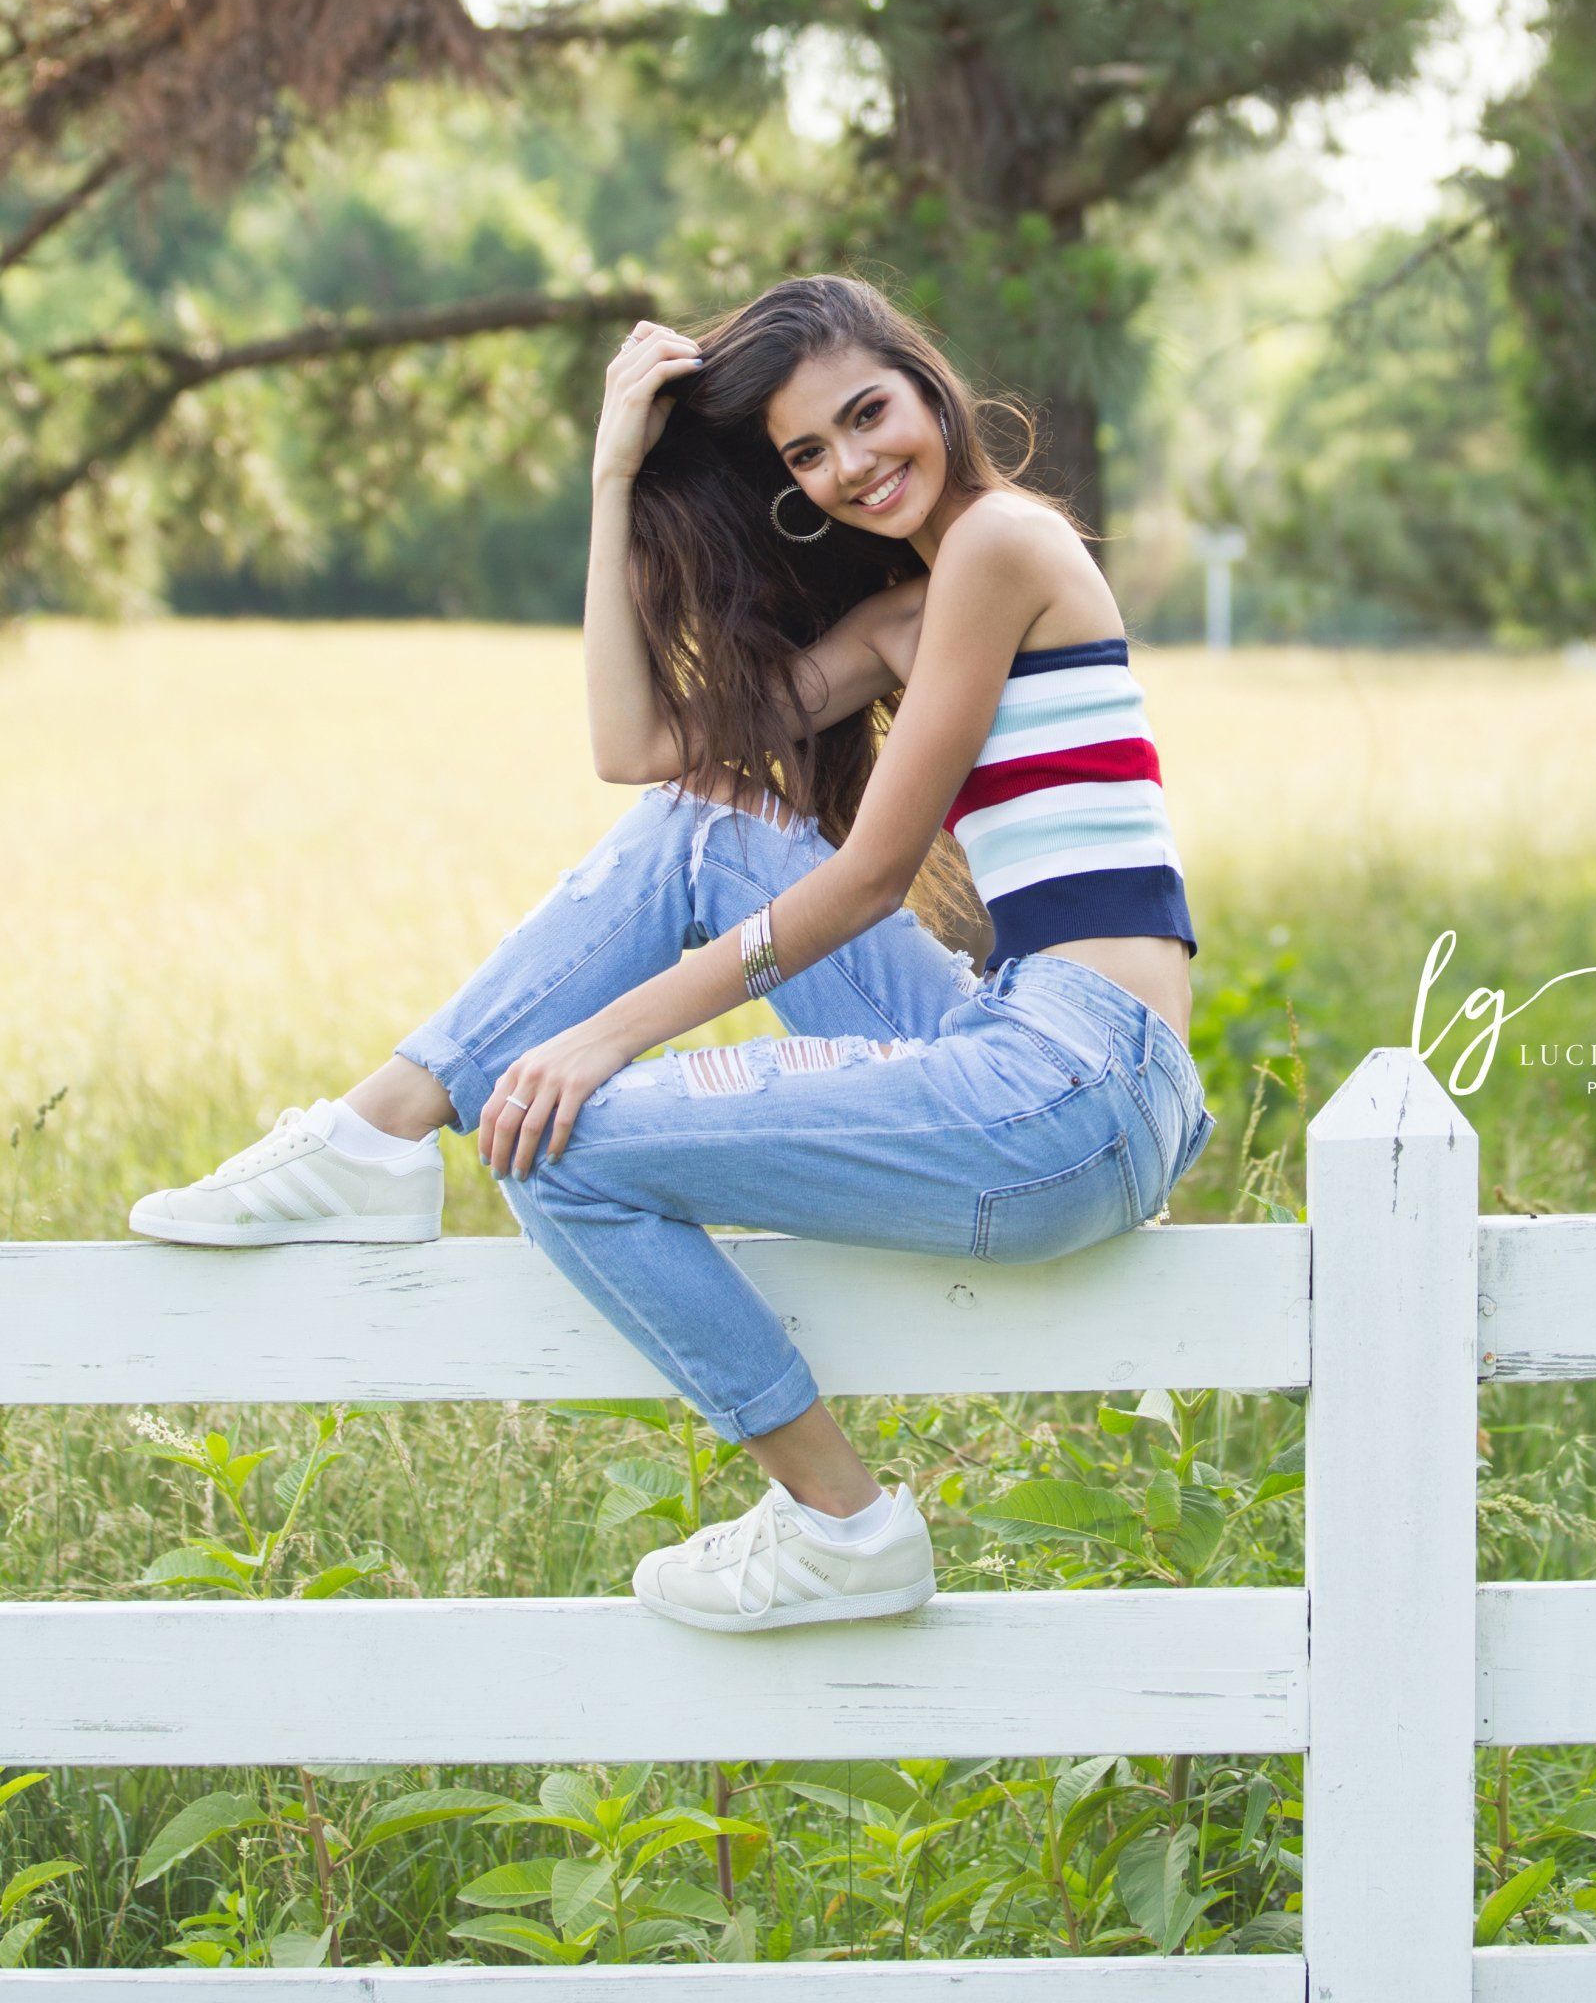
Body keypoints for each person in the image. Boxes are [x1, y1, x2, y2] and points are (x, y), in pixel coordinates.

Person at [128, 275, 1216, 1633]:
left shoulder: (999, 542)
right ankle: (377, 1134)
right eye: (808, 455)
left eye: (869, 415)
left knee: (558, 1137)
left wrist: (606, 1032)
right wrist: (610, 481)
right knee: (702, 829)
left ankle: (842, 1525)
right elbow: (636, 752)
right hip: (1051, 1058)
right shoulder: (909, 612)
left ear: (930, 388)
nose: (852, 467)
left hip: (1072, 1084)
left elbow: (873, 877)